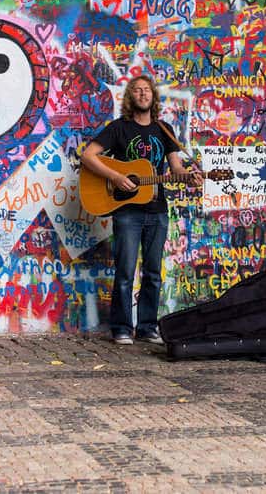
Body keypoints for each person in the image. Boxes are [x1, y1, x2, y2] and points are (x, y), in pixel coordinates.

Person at [81, 76, 202, 345]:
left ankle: (147, 327)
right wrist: (114, 177)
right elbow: (88, 155)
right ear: (130, 97)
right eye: (137, 90)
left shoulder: (164, 129)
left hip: (157, 210)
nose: (143, 94)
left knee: (153, 272)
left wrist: (187, 176)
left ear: (153, 96)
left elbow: (176, 168)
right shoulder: (119, 128)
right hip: (127, 212)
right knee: (125, 272)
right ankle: (122, 328)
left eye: (147, 90)